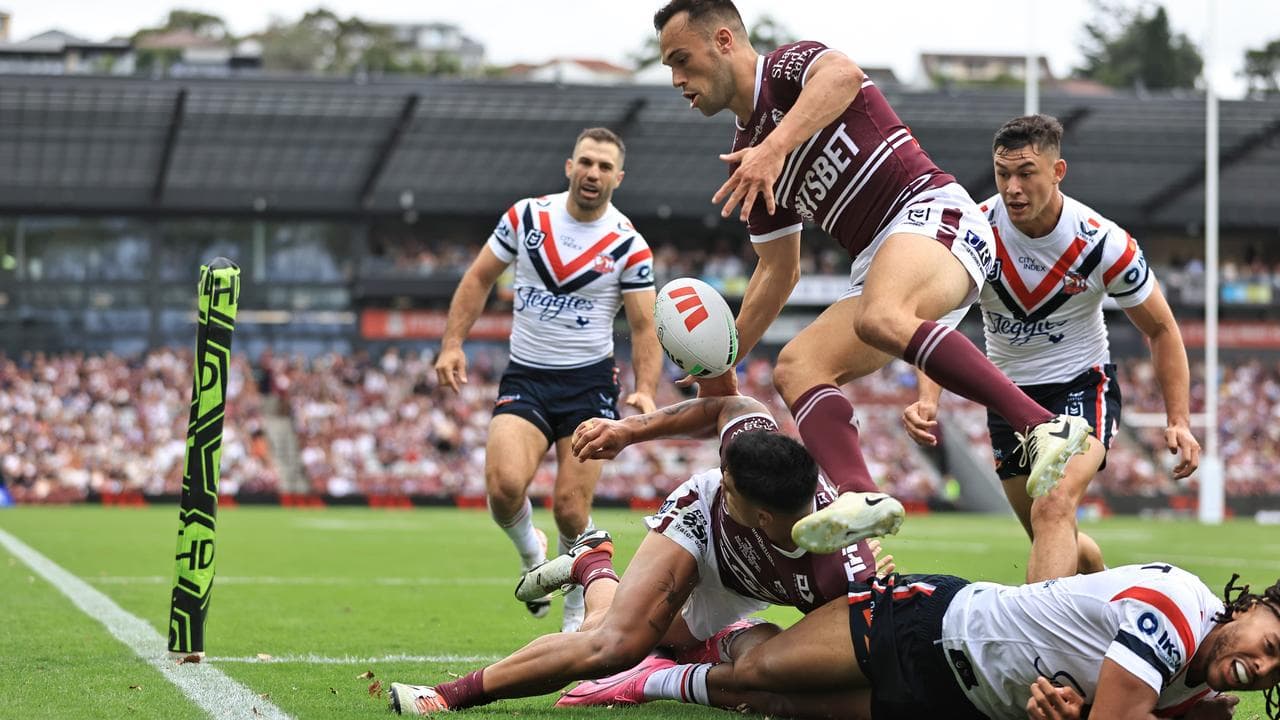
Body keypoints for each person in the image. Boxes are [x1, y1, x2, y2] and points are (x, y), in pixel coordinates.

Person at [651, 0, 1091, 550]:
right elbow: (778, 270)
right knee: (797, 365)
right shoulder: (748, 155)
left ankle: (1044, 425)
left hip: (932, 210)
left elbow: (844, 74)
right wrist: (723, 360)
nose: (676, 79)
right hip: (883, 260)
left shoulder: (788, 68)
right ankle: (862, 495)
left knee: (883, 315)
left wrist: (775, 148)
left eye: (681, 60)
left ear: (722, 41)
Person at [385, 394, 884, 715]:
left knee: (674, 639)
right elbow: (728, 405)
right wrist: (627, 431)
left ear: (766, 520)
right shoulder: (741, 473)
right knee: (614, 646)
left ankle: (593, 562)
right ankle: (449, 695)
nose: (723, 485)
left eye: (732, 489)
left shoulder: (837, 568)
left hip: (740, 588)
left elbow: (854, 658)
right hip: (698, 527)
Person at [903, 115, 1200, 582]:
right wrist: (927, 398)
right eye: (1003, 174)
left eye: (1026, 173)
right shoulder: (975, 233)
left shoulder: (1104, 243)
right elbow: (937, 323)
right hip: (1007, 401)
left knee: (1053, 506)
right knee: (1053, 532)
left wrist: (1179, 421)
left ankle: (1039, 643)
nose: (1012, 188)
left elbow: (1162, 329)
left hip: (1081, 389)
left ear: (1058, 171)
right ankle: (1104, 589)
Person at [433, 127, 662, 631]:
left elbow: (645, 326)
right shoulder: (527, 217)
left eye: (604, 167)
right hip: (528, 376)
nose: (593, 173)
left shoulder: (628, 244)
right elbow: (478, 278)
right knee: (504, 486)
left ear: (618, 178)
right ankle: (531, 552)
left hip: (589, 387)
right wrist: (452, 343)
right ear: (569, 166)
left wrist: (646, 388)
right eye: (586, 162)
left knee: (569, 507)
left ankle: (577, 608)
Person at [568, 563, 1279, 720]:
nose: (1262, 667)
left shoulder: (1207, 691)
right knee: (760, 671)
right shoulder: (1176, 608)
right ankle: (702, 640)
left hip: (960, 704)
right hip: (930, 624)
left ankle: (646, 682)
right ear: (1251, 609)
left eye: (1279, 672)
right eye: (1272, 642)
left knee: (774, 707)